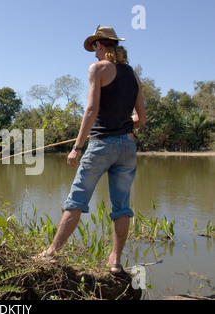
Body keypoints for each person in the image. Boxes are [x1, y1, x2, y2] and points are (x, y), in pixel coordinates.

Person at [38, 26, 146, 276]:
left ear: (100, 44)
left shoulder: (97, 69)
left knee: (77, 199)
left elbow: (91, 110)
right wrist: (125, 122)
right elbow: (141, 118)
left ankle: (52, 253)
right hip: (128, 146)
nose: (93, 53)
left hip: (102, 145)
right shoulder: (133, 75)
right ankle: (115, 262)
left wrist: (77, 147)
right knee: (121, 206)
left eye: (94, 48)